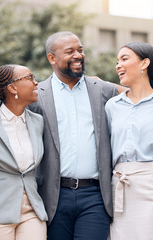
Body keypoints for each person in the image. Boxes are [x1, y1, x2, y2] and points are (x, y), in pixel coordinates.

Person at [27, 31, 117, 240]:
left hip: (95, 197)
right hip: (54, 195)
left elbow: (141, 97)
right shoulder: (36, 94)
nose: (78, 55)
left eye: (80, 50)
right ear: (52, 58)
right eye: (70, 51)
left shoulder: (102, 90)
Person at [105, 42, 153, 240]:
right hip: (119, 184)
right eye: (117, 61)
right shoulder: (112, 106)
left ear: (145, 63)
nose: (118, 65)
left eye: (124, 59)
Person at [0, 62, 48, 240]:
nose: (36, 83)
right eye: (30, 78)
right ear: (12, 87)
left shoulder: (38, 121)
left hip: (32, 209)